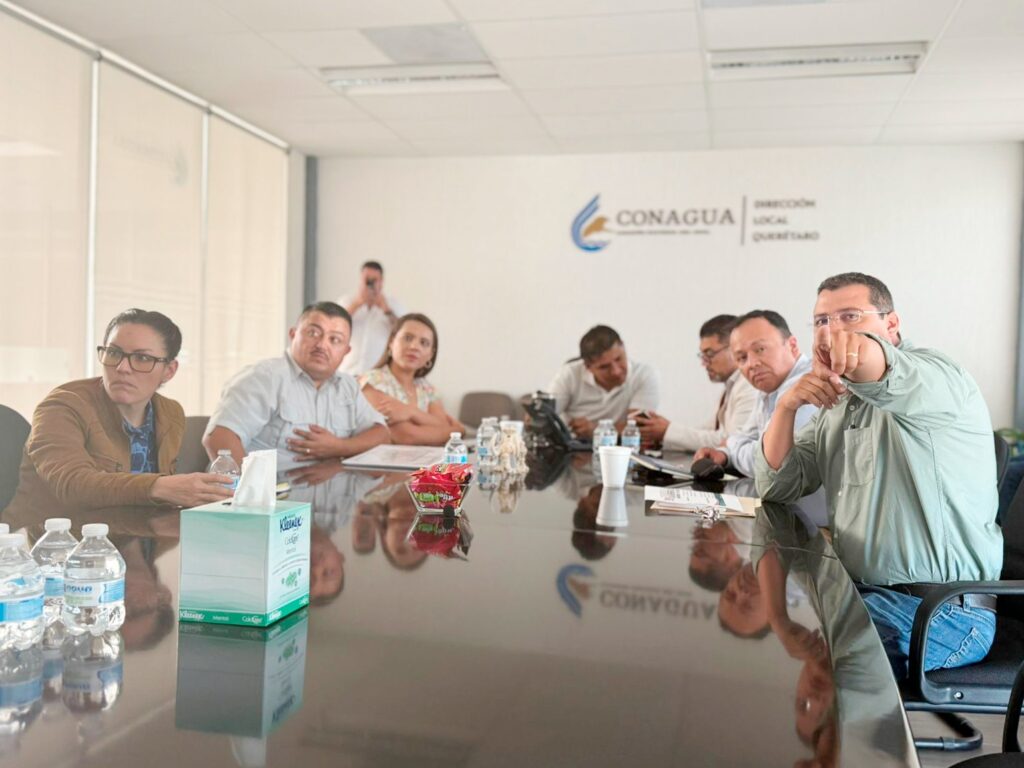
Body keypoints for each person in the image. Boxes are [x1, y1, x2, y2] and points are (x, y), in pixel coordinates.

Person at [756, 272, 1003, 678]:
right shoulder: (838, 403)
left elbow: (879, 365)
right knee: (766, 637)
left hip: (942, 613)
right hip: (865, 596)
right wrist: (786, 407)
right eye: (821, 321)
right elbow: (777, 484)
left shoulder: (936, 376)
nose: (832, 331)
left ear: (892, 324)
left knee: (798, 663)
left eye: (850, 316)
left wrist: (853, 350)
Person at [6, 309, 234, 517]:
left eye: (142, 358)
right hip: (56, 541)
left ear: (169, 371)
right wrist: (159, 487)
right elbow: (72, 484)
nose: (122, 368)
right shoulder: (63, 405)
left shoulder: (170, 413)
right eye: (114, 353)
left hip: (134, 536)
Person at [203, 301, 388, 466]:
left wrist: (339, 447)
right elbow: (219, 438)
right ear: (293, 334)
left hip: (325, 489)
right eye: (313, 333)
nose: (322, 345)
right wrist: (252, 489)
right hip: (268, 490)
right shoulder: (264, 377)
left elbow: (381, 434)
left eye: (335, 339)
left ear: (346, 351)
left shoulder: (348, 386)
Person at [695, 310, 816, 478]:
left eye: (760, 349)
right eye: (742, 358)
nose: (751, 364)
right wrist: (724, 454)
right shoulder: (769, 387)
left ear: (792, 345)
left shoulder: (806, 385)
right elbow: (747, 436)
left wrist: (730, 444)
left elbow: (768, 461)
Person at [635, 314, 757, 451]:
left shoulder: (749, 386)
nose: (704, 363)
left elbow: (730, 442)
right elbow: (708, 431)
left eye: (709, 354)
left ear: (735, 348)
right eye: (702, 355)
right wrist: (661, 437)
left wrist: (667, 430)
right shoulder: (732, 386)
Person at [358, 313, 466, 445]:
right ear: (391, 342)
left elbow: (442, 424)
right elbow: (406, 436)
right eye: (408, 338)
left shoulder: (427, 389)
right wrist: (458, 431)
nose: (415, 346)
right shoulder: (371, 381)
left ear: (430, 355)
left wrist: (410, 412)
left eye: (424, 343)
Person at [547, 325, 659, 440]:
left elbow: (640, 427)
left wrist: (596, 430)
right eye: (604, 367)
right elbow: (545, 416)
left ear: (623, 346)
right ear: (588, 367)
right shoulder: (569, 374)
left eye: (618, 359)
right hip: (573, 444)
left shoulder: (644, 376)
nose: (616, 371)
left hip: (622, 447)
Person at [338, 260, 406, 376]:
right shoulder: (346, 302)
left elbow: (403, 331)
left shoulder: (393, 305)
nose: (370, 284)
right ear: (360, 279)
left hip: (378, 375)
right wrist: (357, 304)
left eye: (374, 280)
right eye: (367, 280)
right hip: (347, 372)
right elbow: (333, 325)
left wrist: (386, 310)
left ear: (381, 281)